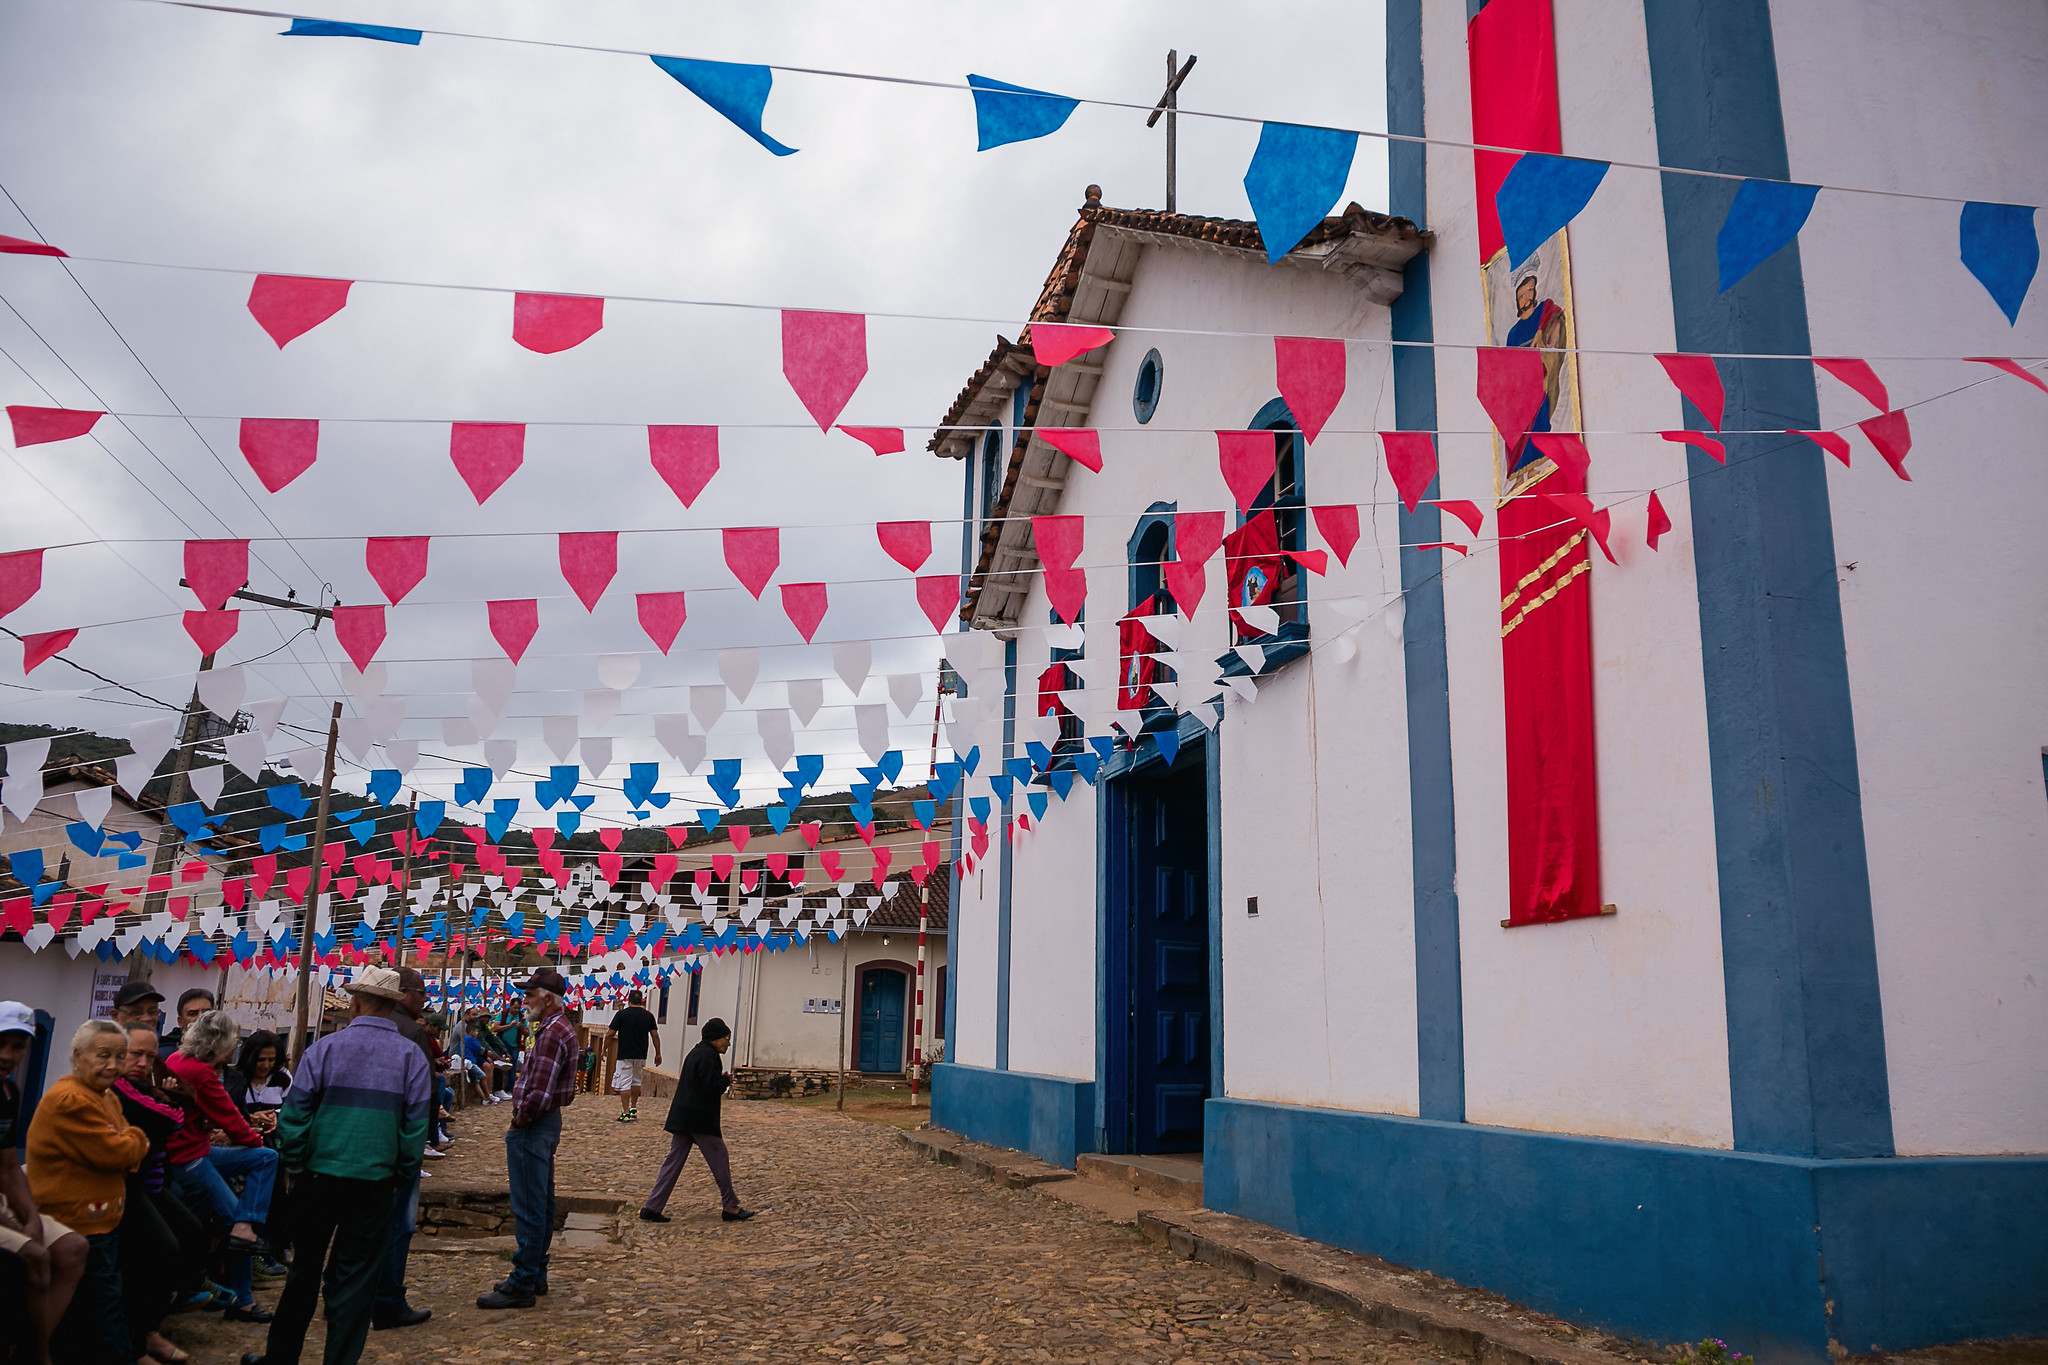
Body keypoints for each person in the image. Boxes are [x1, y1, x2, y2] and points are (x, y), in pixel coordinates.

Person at [240, 966, 430, 1365]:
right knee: (356, 1280)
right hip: (375, 1183)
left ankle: (280, 1359)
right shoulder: (411, 1057)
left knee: (303, 1274)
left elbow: (294, 1118)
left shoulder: (323, 1050)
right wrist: (402, 1171)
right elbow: (416, 1127)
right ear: (393, 1005)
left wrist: (297, 1162)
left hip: (318, 1178)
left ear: (356, 1002)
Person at [24, 1018, 149, 1365]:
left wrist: (127, 1142)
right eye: (103, 1055)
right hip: (77, 1222)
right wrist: (136, 1140)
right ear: (77, 1056)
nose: (112, 1064)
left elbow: (122, 1145)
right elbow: (120, 1150)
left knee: (94, 1306)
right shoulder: (70, 1100)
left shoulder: (102, 1096)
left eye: (119, 1056)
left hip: (99, 1221)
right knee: (103, 1307)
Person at [166, 1010, 279, 1323]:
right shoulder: (201, 1071)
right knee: (237, 1226)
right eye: (233, 1042)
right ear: (218, 1042)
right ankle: (242, 1300)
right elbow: (231, 1119)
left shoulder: (178, 1059)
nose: (235, 1048)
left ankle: (248, 1222)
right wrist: (255, 1141)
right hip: (189, 1158)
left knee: (266, 1160)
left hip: (198, 1148)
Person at [475, 968, 577, 1311]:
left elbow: (540, 1090)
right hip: (543, 1125)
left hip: (533, 1126)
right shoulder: (556, 1028)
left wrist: (519, 1120)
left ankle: (523, 1281)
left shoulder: (550, 1034)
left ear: (548, 999)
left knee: (530, 1205)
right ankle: (534, 1272)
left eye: (530, 995)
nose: (524, 1001)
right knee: (541, 1202)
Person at [0, 1002, 90, 1365]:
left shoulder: (9, 1094)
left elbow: (7, 1165)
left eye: (17, 1047)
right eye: (2, 1043)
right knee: (35, 1257)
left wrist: (31, 1216)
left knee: (73, 1248)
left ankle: (33, 1347)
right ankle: (39, 1355)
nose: (8, 1055)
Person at [114, 1023, 206, 1365]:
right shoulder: (121, 1089)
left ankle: (153, 1326)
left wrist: (169, 1102)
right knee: (161, 1249)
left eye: (150, 1056)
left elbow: (174, 1116)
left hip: (153, 1185)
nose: (142, 1062)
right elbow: (170, 1118)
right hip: (127, 1189)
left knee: (191, 1233)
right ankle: (139, 1339)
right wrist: (171, 1100)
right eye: (134, 1054)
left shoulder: (141, 1087)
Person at [371, 968, 439, 1331]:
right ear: (404, 993)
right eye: (422, 993)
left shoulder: (352, 1033)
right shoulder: (412, 1033)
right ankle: (387, 1301)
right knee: (398, 1226)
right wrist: (421, 1144)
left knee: (357, 1227)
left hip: (360, 1149)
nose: (425, 1000)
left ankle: (342, 1295)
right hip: (398, 1146)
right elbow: (424, 1097)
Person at [639, 1018, 752, 1224]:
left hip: (683, 1117)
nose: (728, 1043)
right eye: (726, 1039)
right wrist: (725, 1081)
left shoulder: (696, 1052)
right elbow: (710, 1088)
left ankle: (652, 1206)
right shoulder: (709, 1056)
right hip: (699, 1119)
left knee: (672, 1163)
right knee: (719, 1158)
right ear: (715, 1038)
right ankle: (730, 1206)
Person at [607, 990, 661, 1122]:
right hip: (641, 1054)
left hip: (625, 1054)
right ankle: (633, 1108)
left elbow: (610, 1034)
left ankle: (625, 1113)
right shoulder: (648, 1016)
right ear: (642, 1000)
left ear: (628, 1000)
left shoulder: (622, 1015)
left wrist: (604, 1049)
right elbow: (655, 1035)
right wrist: (658, 1053)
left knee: (625, 1083)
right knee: (636, 1081)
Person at [231, 1032, 292, 1116]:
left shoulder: (284, 1078)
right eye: (261, 1060)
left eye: (271, 1060)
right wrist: (252, 1118)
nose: (266, 1066)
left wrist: (274, 1116)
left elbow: (290, 1109)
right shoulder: (234, 1079)